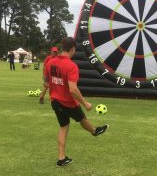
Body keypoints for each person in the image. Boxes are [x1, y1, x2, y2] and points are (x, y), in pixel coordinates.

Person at [43, 37, 109, 167]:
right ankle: (94, 131)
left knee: (63, 127)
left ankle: (61, 158)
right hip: (67, 102)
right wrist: (85, 103)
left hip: (55, 101)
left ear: (62, 47)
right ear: (73, 48)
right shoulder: (71, 66)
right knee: (82, 120)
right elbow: (73, 89)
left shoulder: (50, 62)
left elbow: (45, 82)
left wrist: (56, 87)